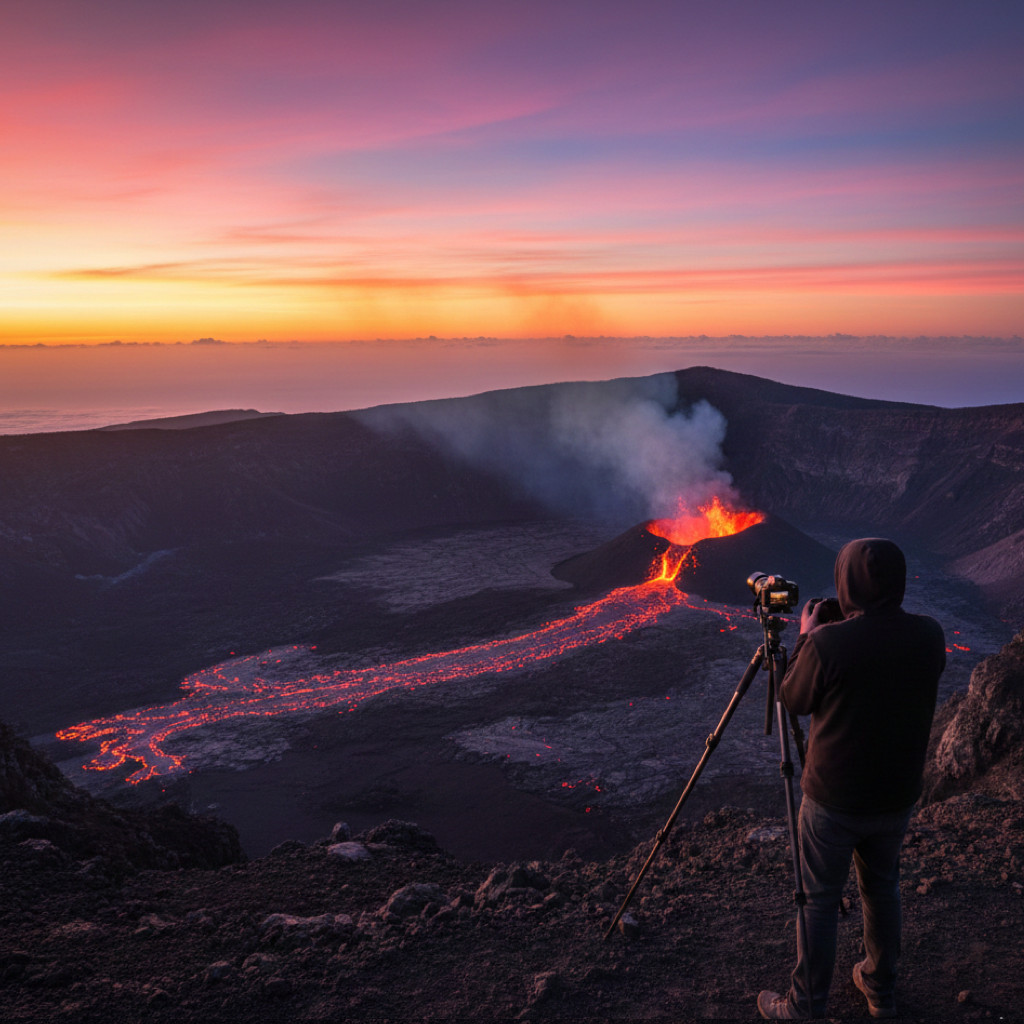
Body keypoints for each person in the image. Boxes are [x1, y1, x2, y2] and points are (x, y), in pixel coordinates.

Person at [757, 537, 946, 1019]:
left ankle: (805, 1006)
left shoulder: (827, 643)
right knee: (882, 887)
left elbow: (794, 700)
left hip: (833, 801)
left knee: (818, 899)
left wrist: (805, 636)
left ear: (847, 583)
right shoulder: (929, 635)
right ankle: (881, 989)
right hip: (897, 796)